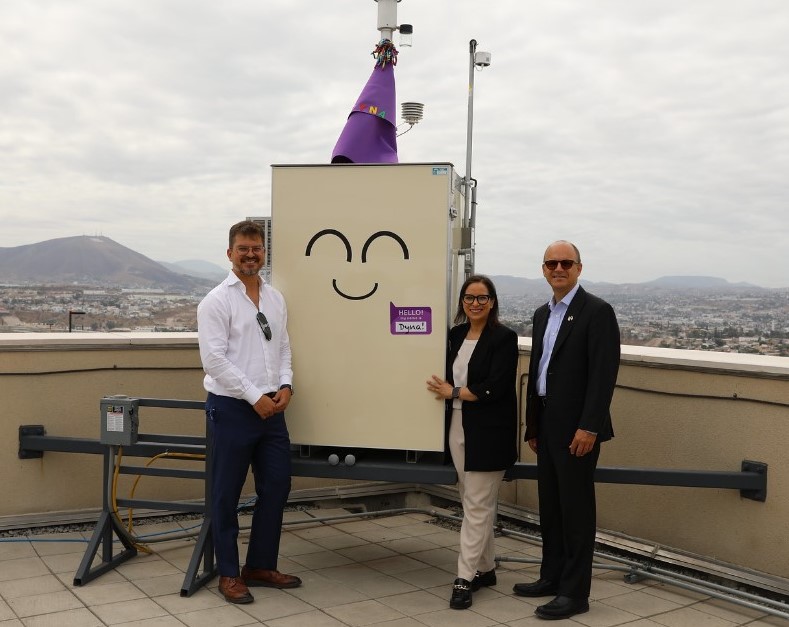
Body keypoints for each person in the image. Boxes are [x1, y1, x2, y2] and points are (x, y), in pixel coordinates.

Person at [513, 241, 620, 620]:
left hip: (578, 430)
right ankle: (552, 577)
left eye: (566, 263)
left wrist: (588, 426)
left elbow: (603, 376)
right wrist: (532, 424)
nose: (558, 268)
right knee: (552, 509)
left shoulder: (597, 312)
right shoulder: (543, 313)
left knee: (575, 513)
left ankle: (575, 594)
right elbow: (539, 370)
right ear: (543, 269)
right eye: (551, 263)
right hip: (548, 424)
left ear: (578, 267)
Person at [197, 220, 301, 605]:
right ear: (230, 253)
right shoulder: (216, 302)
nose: (251, 254)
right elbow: (214, 361)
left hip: (273, 408)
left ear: (264, 252)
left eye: (256, 248)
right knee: (225, 494)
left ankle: (258, 566)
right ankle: (228, 573)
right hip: (232, 408)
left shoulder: (275, 299)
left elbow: (284, 348)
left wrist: (287, 385)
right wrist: (254, 395)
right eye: (243, 248)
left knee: (276, 487)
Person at [427, 275, 519, 610]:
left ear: (493, 302)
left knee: (477, 506)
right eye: (469, 298)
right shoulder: (455, 335)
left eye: (482, 298)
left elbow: (495, 388)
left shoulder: (505, 338)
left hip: (489, 432)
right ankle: (486, 568)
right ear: (462, 302)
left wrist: (453, 392)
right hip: (458, 425)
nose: (475, 304)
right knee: (473, 501)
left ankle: (464, 578)